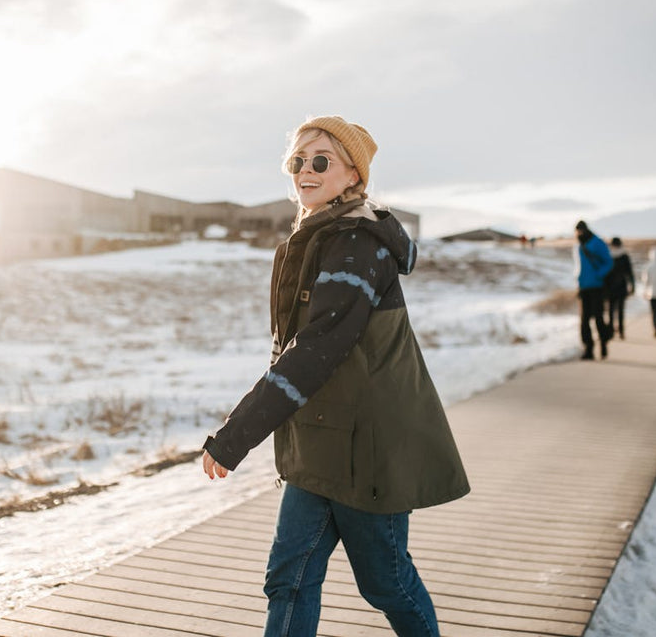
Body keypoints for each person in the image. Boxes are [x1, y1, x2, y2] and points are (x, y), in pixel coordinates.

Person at [201, 115, 470, 637]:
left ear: (352, 175)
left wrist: (236, 436)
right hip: (318, 438)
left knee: (385, 584)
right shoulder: (315, 236)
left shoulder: (358, 245)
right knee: (289, 579)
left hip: (367, 446)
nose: (305, 169)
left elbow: (314, 350)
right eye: (296, 161)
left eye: (320, 160)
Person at [573, 220, 613, 360]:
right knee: (584, 320)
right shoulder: (580, 245)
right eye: (577, 231)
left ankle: (603, 342)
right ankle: (588, 348)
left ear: (585, 230)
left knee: (598, 318)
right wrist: (579, 282)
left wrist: (599, 275)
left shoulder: (597, 242)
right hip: (584, 287)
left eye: (580, 231)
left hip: (597, 286)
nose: (578, 233)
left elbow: (608, 262)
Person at [604, 236, 635, 339]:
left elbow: (605, 273)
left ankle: (612, 331)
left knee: (611, 311)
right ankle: (621, 331)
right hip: (621, 286)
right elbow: (629, 272)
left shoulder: (608, 256)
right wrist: (632, 285)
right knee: (620, 310)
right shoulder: (624, 256)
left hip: (610, 287)